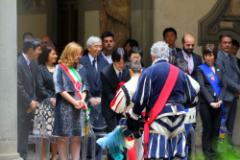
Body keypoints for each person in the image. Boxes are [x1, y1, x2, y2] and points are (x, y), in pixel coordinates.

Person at [128, 41, 198, 159]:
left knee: (158, 155)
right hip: (179, 117)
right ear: (167, 55)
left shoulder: (149, 72)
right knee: (178, 156)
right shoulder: (180, 73)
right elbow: (192, 98)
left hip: (159, 117)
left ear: (152, 55)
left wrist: (134, 115)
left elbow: (141, 100)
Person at [53, 42, 89, 160]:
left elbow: (85, 87)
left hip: (79, 107)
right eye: (77, 54)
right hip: (65, 107)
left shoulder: (81, 68)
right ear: (70, 53)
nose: (79, 57)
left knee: (76, 137)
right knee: (63, 137)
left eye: (80, 54)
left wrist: (82, 100)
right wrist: (74, 102)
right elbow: (60, 89)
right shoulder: (60, 68)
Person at [80, 36, 109, 160]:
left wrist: (102, 97)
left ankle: (97, 156)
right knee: (87, 132)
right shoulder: (82, 61)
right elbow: (81, 81)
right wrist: (90, 97)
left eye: (100, 46)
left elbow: (107, 81)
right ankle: (86, 156)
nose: (99, 49)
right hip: (87, 102)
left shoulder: (104, 61)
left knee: (99, 132)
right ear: (89, 48)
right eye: (96, 46)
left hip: (101, 102)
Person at [196, 44, 225, 159]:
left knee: (216, 129)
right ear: (204, 56)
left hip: (218, 103)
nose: (209, 57)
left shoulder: (219, 68)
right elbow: (202, 87)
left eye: (211, 55)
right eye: (207, 55)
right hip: (206, 105)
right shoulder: (200, 69)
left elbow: (223, 86)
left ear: (215, 56)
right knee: (208, 128)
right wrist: (210, 102)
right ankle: (207, 153)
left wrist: (221, 99)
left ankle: (214, 152)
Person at [17, 38, 42, 159]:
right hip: (20, 106)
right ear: (30, 50)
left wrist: (33, 101)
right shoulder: (18, 63)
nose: (40, 52)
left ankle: (24, 156)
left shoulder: (33, 63)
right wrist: (29, 101)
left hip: (30, 105)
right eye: (38, 49)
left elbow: (34, 84)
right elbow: (18, 86)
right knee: (19, 133)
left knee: (25, 134)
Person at [216, 34, 240, 137]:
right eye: (224, 43)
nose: (227, 45)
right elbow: (223, 77)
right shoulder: (218, 57)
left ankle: (228, 147)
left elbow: (236, 75)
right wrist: (238, 87)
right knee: (222, 124)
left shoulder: (232, 57)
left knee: (230, 124)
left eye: (229, 43)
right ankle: (221, 148)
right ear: (220, 44)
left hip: (233, 95)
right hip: (224, 96)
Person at [37, 44, 58, 160]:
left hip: (58, 104)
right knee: (44, 134)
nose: (56, 56)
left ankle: (54, 156)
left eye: (56, 54)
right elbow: (40, 87)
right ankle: (44, 157)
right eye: (53, 54)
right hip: (45, 104)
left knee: (56, 133)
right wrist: (50, 98)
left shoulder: (59, 68)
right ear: (47, 55)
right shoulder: (40, 69)